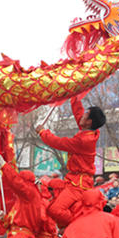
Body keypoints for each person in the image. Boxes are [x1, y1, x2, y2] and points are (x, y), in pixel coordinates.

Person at [35, 96, 106, 226]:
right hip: (73, 179)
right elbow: (79, 113)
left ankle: (76, 226)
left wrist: (43, 132)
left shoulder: (84, 140)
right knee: (49, 184)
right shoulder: (89, 131)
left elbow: (60, 143)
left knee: (55, 210)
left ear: (89, 121)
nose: (82, 116)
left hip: (78, 184)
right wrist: (74, 96)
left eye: (86, 115)